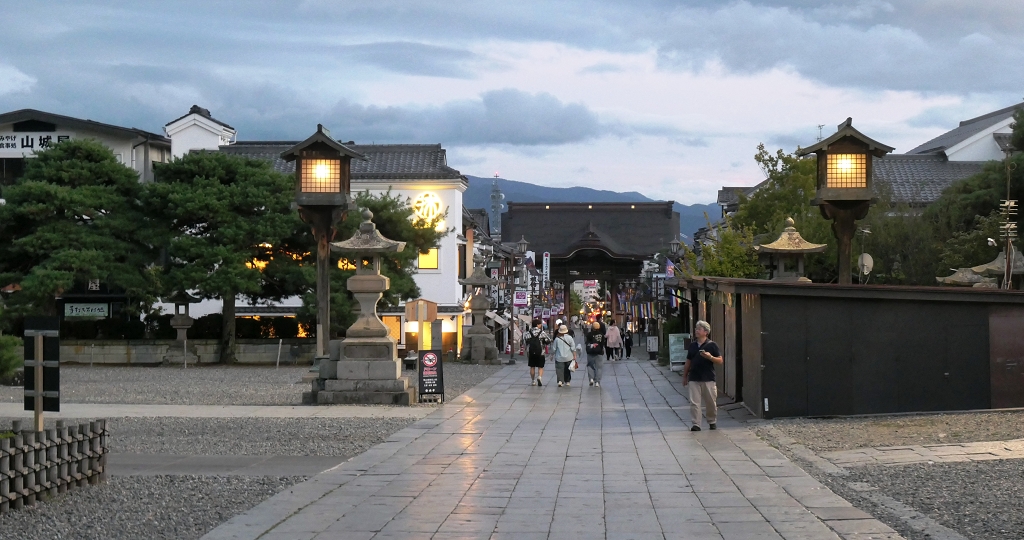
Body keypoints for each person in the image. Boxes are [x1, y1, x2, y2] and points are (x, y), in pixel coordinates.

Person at [683, 320, 723, 431]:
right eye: (696, 329)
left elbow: (720, 360)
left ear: (706, 332)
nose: (696, 331)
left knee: (710, 402)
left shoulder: (712, 345)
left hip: (708, 378)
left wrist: (710, 357)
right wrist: (685, 376)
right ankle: (696, 424)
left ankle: (712, 421)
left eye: (699, 329)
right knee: (694, 403)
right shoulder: (692, 346)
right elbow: (688, 361)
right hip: (694, 377)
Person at [526, 319, 551, 386]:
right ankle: (539, 377)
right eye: (540, 324)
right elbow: (548, 340)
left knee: (532, 367)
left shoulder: (528, 333)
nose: (541, 325)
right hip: (541, 352)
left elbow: (525, 341)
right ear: (537, 325)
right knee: (540, 367)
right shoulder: (542, 333)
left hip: (531, 352)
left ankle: (533, 381)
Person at [584, 321, 605, 387]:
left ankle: (591, 379)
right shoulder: (601, 335)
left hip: (590, 352)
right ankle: (597, 382)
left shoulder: (589, 334)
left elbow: (586, 342)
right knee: (599, 367)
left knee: (590, 365)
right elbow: (602, 344)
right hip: (599, 352)